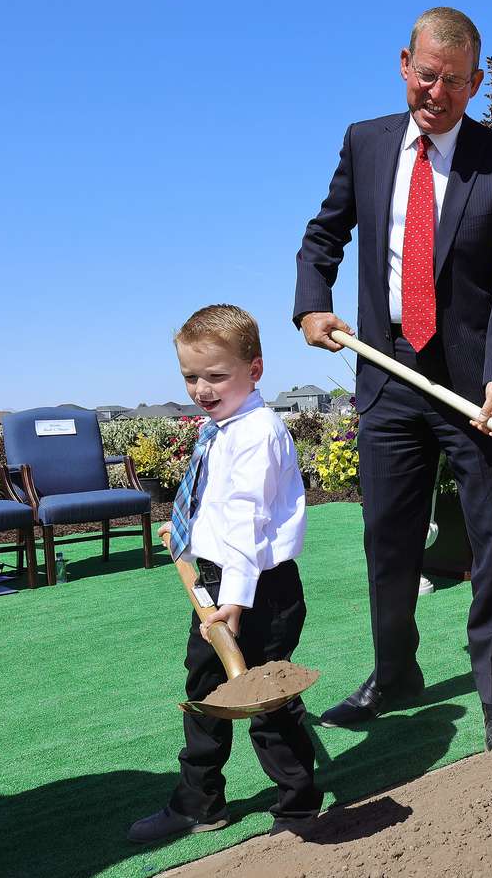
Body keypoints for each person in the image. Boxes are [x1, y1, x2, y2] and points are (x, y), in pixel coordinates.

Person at [293, 7, 492, 751]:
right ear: (405, 63)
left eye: (456, 83)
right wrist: (313, 302)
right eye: (427, 75)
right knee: (388, 540)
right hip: (386, 371)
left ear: (476, 82)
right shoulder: (365, 143)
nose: (438, 92)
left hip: (475, 384)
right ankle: (394, 671)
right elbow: (323, 234)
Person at [129, 305, 320, 844]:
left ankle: (299, 807)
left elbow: (248, 522)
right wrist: (183, 532)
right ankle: (199, 803)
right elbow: (216, 502)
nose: (201, 389)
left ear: (254, 370)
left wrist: (234, 600)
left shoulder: (257, 432)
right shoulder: (220, 429)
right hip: (214, 580)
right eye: (191, 376)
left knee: (266, 701)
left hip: (260, 588)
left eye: (216, 376)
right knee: (205, 691)